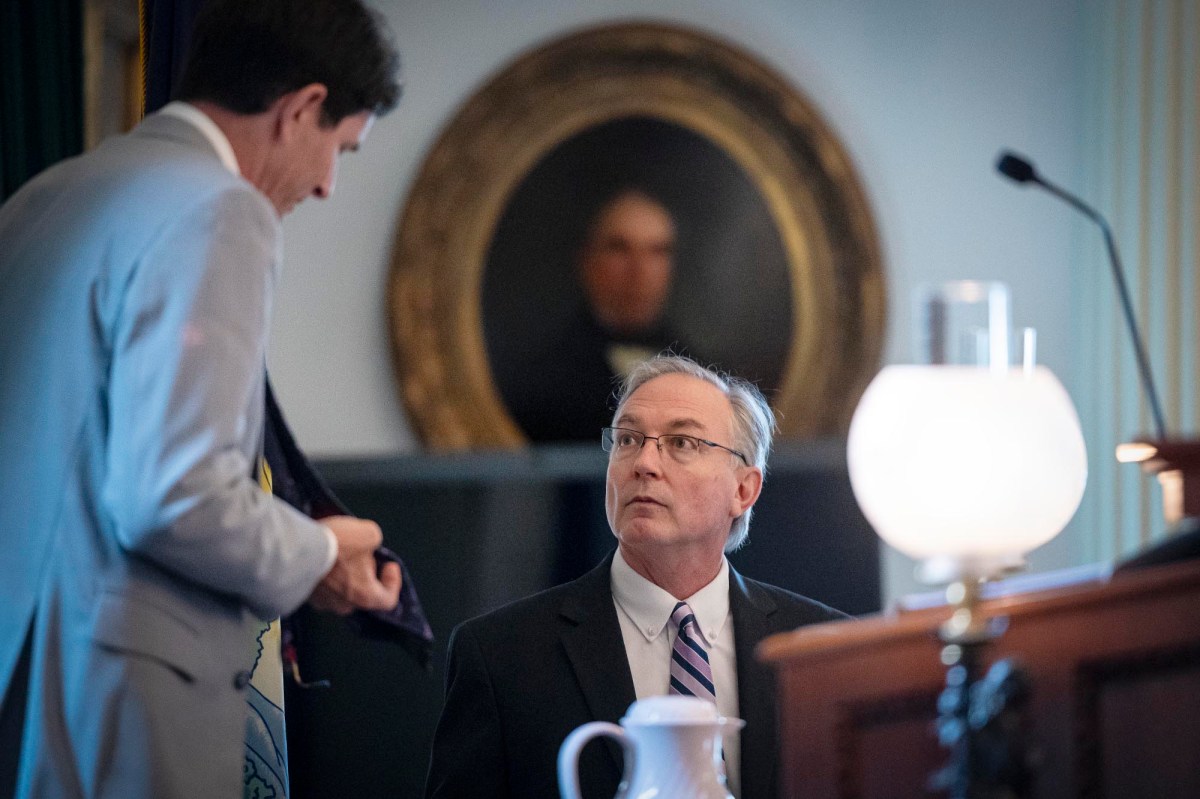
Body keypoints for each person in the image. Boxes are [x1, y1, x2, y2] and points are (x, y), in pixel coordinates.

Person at [0, 1, 403, 796]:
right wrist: (322, 553)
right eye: (339, 149)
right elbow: (173, 494)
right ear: (301, 110)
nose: (326, 185)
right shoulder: (221, 210)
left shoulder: (42, 197)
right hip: (123, 705)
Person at [425, 355, 847, 798]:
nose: (644, 462)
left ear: (743, 489)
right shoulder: (499, 657)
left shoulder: (825, 650)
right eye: (628, 439)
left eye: (682, 442)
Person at [501, 188, 700, 442]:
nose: (640, 270)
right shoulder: (538, 384)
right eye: (620, 249)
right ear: (587, 261)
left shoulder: (703, 374)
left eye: (657, 251)